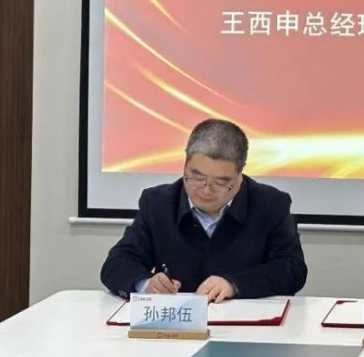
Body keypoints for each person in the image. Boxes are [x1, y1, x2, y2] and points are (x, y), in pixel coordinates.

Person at [100, 118, 308, 301]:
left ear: (240, 173)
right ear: (185, 163)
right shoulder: (157, 203)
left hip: (243, 323)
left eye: (221, 182)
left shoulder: (270, 204)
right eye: (197, 177)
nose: (206, 190)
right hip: (176, 324)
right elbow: (117, 263)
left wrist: (234, 284)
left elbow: (292, 269)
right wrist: (146, 285)